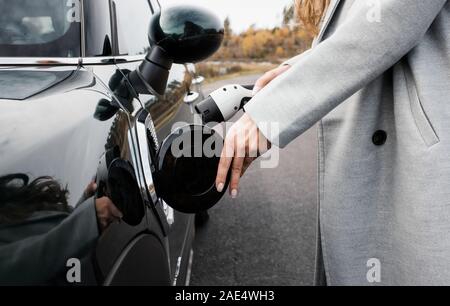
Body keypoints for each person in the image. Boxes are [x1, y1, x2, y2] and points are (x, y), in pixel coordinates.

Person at [215, 0, 450, 285]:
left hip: (416, 153)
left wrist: (271, 112)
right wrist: (298, 66)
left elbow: (391, 16)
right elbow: (363, 23)